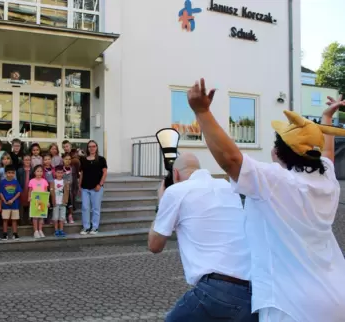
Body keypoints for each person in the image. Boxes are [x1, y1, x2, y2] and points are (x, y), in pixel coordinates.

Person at [186, 79, 345, 322]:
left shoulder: (276, 182)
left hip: (292, 306)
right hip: (336, 295)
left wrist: (202, 112)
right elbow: (327, 154)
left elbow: (231, 160)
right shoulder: (326, 177)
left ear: (277, 153)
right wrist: (325, 119)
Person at [148, 152, 255, 322]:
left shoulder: (176, 191)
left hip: (214, 292)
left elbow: (154, 245)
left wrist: (161, 205)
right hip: (253, 292)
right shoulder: (227, 186)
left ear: (175, 174)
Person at [79, 140, 107, 235]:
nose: (92, 148)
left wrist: (100, 184)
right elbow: (82, 173)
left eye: (94, 146)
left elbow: (104, 173)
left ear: (96, 147)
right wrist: (79, 185)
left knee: (95, 208)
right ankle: (86, 227)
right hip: (85, 188)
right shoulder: (83, 160)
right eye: (90, 146)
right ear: (87, 148)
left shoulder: (101, 159)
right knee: (85, 207)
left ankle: (95, 227)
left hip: (97, 188)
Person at [0, 165, 22, 240]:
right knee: (5, 219)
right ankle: (5, 234)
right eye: (9, 173)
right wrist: (4, 201)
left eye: (12, 173)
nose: (11, 174)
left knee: (14, 220)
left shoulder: (16, 182)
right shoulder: (2, 182)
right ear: (5, 173)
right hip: (5, 205)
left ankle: (15, 233)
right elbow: (0, 193)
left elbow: (19, 192)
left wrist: (12, 200)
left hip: (14, 204)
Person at [28, 165, 49, 238]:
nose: (39, 173)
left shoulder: (44, 181)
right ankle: (35, 231)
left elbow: (46, 192)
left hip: (42, 201)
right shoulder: (31, 181)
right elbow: (30, 191)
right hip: (34, 201)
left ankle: (40, 230)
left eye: (41, 171)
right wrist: (29, 197)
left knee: (41, 217)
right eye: (37, 171)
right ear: (34, 172)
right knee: (35, 217)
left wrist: (47, 201)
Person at [51, 166, 69, 237]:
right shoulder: (53, 182)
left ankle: (61, 230)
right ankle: (56, 230)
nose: (60, 174)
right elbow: (51, 192)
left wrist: (66, 201)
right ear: (55, 173)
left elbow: (67, 192)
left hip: (63, 202)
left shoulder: (65, 182)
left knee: (62, 217)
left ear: (63, 173)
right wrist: (53, 201)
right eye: (58, 173)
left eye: (61, 173)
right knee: (55, 217)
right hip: (56, 202)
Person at [18, 155, 32, 225]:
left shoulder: (32, 170)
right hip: (22, 190)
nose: (27, 161)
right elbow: (17, 180)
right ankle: (21, 219)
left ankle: (29, 219)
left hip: (30, 190)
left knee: (30, 204)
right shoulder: (20, 170)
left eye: (29, 160)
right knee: (21, 205)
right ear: (23, 161)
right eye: (26, 160)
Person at [63, 153, 75, 224]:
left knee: (70, 203)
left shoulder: (72, 168)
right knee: (64, 203)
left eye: (69, 159)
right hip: (63, 189)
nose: (68, 161)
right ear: (63, 159)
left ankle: (70, 216)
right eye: (66, 159)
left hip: (70, 189)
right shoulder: (61, 168)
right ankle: (63, 216)